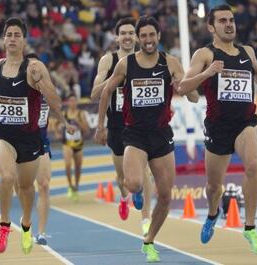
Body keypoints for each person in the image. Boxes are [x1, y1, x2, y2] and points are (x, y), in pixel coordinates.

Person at [0, 17, 72, 254]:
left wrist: (41, 81)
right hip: (3, 134)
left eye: (16, 35)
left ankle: (26, 224)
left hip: (29, 138)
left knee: (26, 187)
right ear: (3, 40)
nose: (12, 39)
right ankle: (3, 226)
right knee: (7, 177)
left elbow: (55, 101)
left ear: (24, 41)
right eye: (8, 34)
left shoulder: (34, 67)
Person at [95, 16, 198, 262]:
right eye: (144, 36)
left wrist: (182, 84)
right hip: (135, 134)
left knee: (165, 195)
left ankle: (149, 240)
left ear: (158, 37)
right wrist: (100, 126)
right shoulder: (126, 64)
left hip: (161, 134)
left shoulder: (170, 62)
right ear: (139, 39)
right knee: (132, 183)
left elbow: (192, 96)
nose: (148, 40)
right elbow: (106, 92)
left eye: (152, 35)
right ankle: (137, 191)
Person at [178, 5, 257, 254]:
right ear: (211, 27)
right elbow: (183, 87)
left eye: (231, 20)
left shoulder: (247, 51)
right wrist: (208, 72)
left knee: (252, 165)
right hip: (218, 127)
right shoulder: (204, 54)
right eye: (222, 21)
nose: (229, 24)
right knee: (213, 187)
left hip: (245, 122)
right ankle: (212, 213)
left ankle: (250, 227)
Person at [91, 17, 152, 236]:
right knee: (122, 177)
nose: (127, 37)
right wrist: (114, 81)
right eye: (123, 33)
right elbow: (95, 93)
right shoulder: (108, 60)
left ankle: (146, 219)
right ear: (117, 37)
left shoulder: (145, 59)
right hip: (116, 126)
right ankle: (125, 196)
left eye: (130, 33)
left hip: (139, 125)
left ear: (136, 37)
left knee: (144, 171)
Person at [62, 93, 90, 202]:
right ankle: (70, 186)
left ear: (76, 102)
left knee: (78, 167)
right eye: (70, 101)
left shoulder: (81, 114)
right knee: (68, 164)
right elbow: (55, 125)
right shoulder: (64, 114)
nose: (72, 103)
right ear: (68, 102)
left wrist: (79, 123)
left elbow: (87, 130)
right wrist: (57, 132)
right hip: (67, 143)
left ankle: (76, 186)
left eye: (74, 100)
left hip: (79, 144)